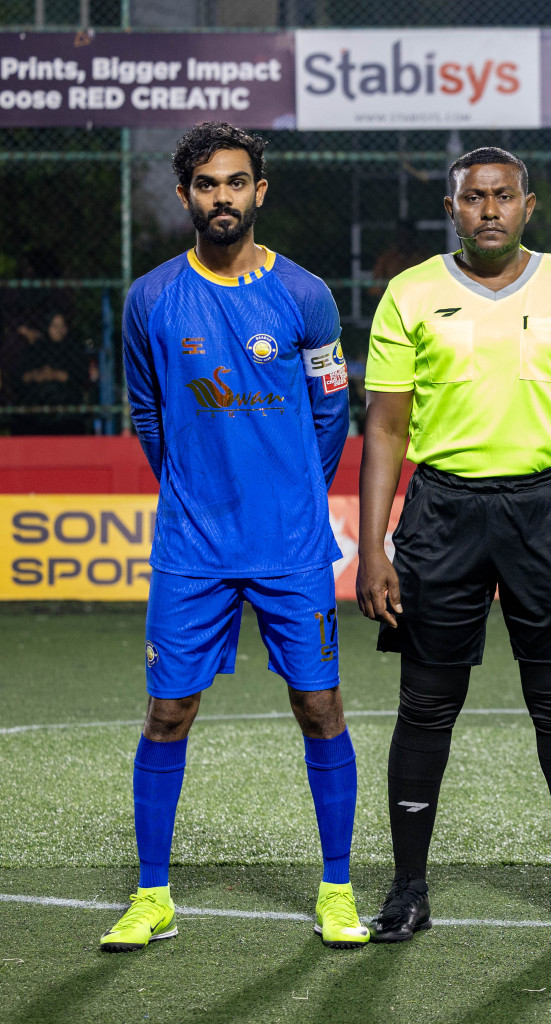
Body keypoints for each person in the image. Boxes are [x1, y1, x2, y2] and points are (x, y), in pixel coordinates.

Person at [356, 147, 551, 943]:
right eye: (473, 197)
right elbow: (385, 427)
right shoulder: (410, 295)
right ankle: (408, 888)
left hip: (548, 510)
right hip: (440, 513)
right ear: (452, 207)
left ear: (528, 205)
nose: (488, 210)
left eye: (502, 196)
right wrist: (374, 546)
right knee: (426, 704)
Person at [104, 122, 365, 952]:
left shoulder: (305, 294)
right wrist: (195, 488)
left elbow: (332, 409)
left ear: (261, 191)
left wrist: (290, 491)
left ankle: (336, 889)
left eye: (237, 182)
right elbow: (146, 413)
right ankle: (153, 896)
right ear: (186, 195)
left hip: (291, 543)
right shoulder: (150, 298)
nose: (224, 197)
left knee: (319, 707)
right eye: (208, 184)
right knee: (168, 711)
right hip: (192, 546)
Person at [11, 311, 96, 434]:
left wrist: (56, 375)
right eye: (55, 326)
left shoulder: (72, 349)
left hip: (64, 401)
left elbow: (80, 376)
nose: (59, 330)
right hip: (37, 401)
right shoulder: (37, 348)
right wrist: (35, 375)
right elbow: (19, 376)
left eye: (62, 326)